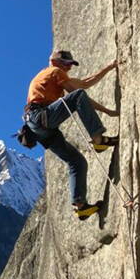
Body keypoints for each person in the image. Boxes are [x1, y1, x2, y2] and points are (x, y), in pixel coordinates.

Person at [25, 50, 119, 220]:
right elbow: (76, 95)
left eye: (70, 65)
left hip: (38, 126)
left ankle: (80, 206)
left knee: (77, 162)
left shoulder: (49, 75)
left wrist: (110, 67)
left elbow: (84, 83)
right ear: (56, 62)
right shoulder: (54, 71)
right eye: (67, 63)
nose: (69, 68)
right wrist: (107, 112)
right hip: (41, 116)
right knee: (78, 96)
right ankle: (98, 139)